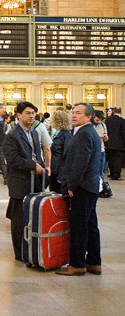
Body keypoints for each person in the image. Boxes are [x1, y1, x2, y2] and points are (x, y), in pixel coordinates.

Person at [56, 103, 103, 276]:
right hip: (90, 185)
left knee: (79, 226)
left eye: (78, 113)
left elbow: (80, 163)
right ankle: (94, 262)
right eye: (73, 113)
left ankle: (77, 264)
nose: (73, 116)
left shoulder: (84, 134)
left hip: (82, 187)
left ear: (88, 117)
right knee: (91, 225)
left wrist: (71, 186)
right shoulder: (89, 132)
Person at [2, 101, 45, 261]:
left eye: (33, 113)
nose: (31, 115)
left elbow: (37, 152)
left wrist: (41, 168)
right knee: (19, 217)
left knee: (32, 215)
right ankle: (20, 252)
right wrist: (33, 165)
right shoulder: (12, 135)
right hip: (20, 181)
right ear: (18, 115)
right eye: (28, 113)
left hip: (35, 180)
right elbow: (12, 159)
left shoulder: (34, 132)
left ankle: (31, 248)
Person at [49, 109, 73, 193]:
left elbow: (66, 157)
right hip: (55, 171)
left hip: (58, 173)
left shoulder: (65, 135)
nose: (50, 120)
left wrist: (62, 176)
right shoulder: (59, 134)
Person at [93, 110, 112, 198]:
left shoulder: (103, 125)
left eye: (100, 119)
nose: (99, 121)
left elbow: (106, 138)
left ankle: (101, 189)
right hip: (93, 150)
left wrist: (105, 137)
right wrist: (98, 136)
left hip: (101, 150)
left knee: (100, 171)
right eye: (97, 119)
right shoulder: (90, 126)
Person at [104, 106, 125, 181]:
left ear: (113, 112)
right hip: (119, 144)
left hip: (109, 143)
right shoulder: (122, 121)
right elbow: (123, 133)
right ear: (121, 112)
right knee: (118, 160)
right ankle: (116, 174)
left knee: (111, 159)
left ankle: (111, 173)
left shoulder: (108, 120)